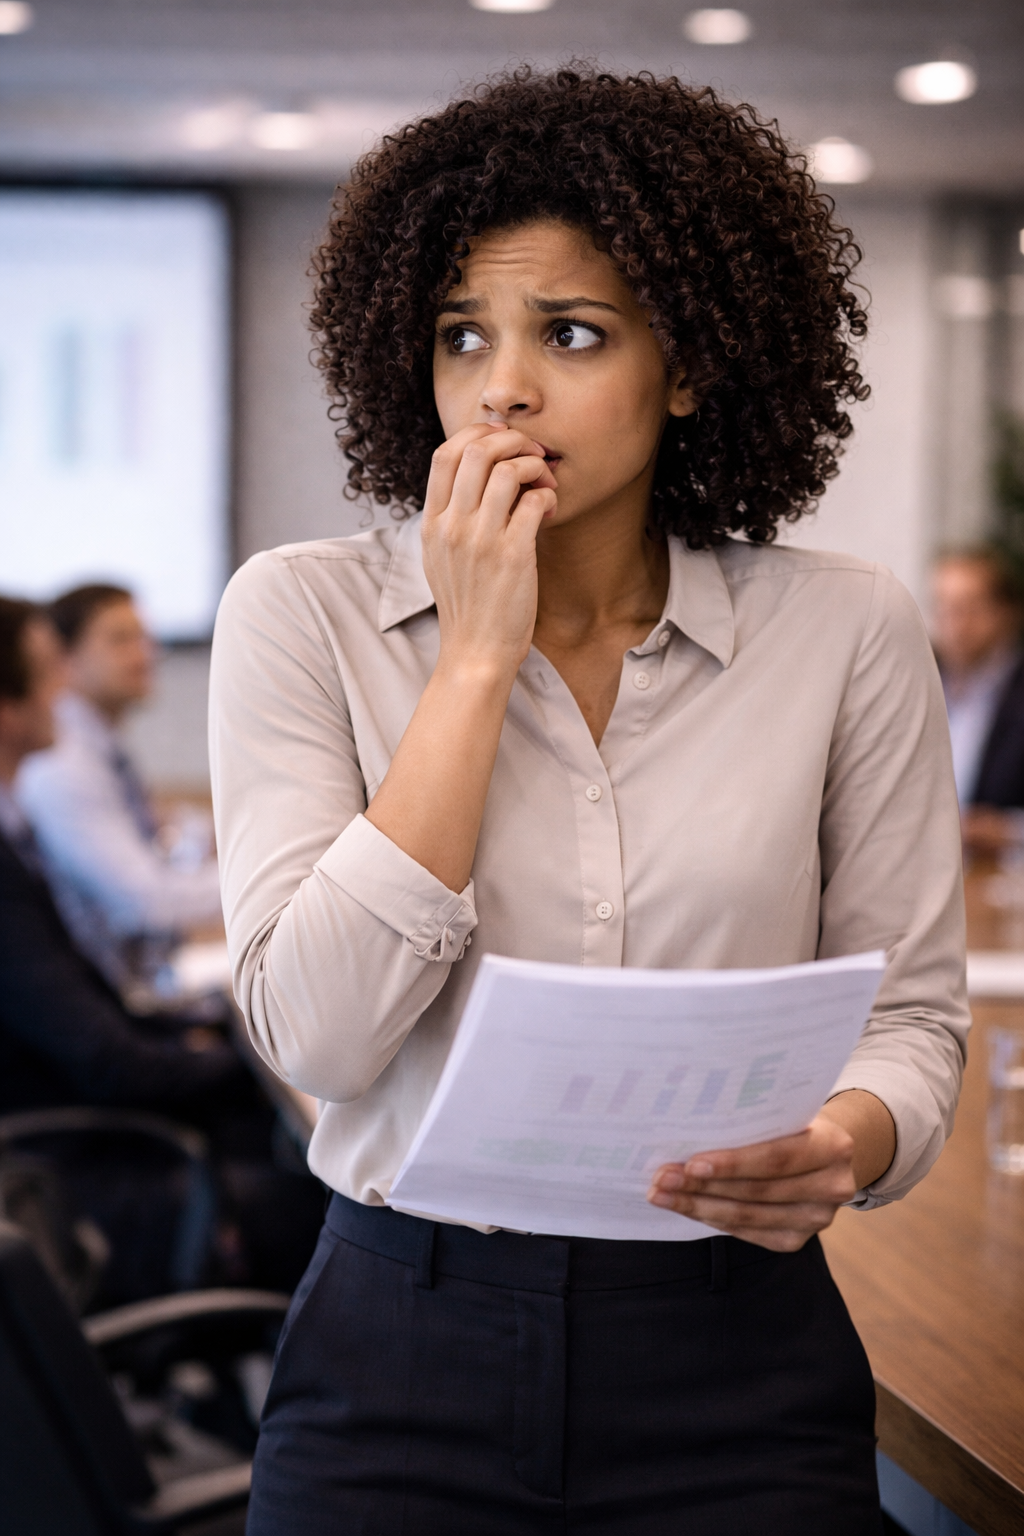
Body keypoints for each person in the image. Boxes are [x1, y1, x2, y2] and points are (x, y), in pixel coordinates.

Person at [210, 70, 969, 1534]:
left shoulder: (846, 630)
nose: (502, 385)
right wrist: (476, 658)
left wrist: (849, 1141)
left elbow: (917, 1019)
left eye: (571, 333)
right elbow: (316, 1031)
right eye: (460, 336)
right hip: (401, 1345)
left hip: (734, 1354)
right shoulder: (301, 615)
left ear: (688, 366)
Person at [0, 596, 322, 1298]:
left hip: (78, 1140)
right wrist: (246, 1061)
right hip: (69, 1175)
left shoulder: (17, 834)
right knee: (327, 1214)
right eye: (48, 670)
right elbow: (102, 1057)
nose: (65, 690)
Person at [17, 583, 223, 988]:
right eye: (120, 640)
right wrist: (264, 877)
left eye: (144, 637)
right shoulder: (60, 762)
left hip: (128, 980)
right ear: (66, 660)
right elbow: (148, 903)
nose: (146, 654)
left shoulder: (98, 747)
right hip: (108, 996)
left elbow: (160, 830)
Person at [931, 547, 1024, 852]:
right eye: (944, 607)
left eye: (969, 607)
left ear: (1007, 610)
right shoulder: (923, 681)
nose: (956, 624)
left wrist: (1005, 830)